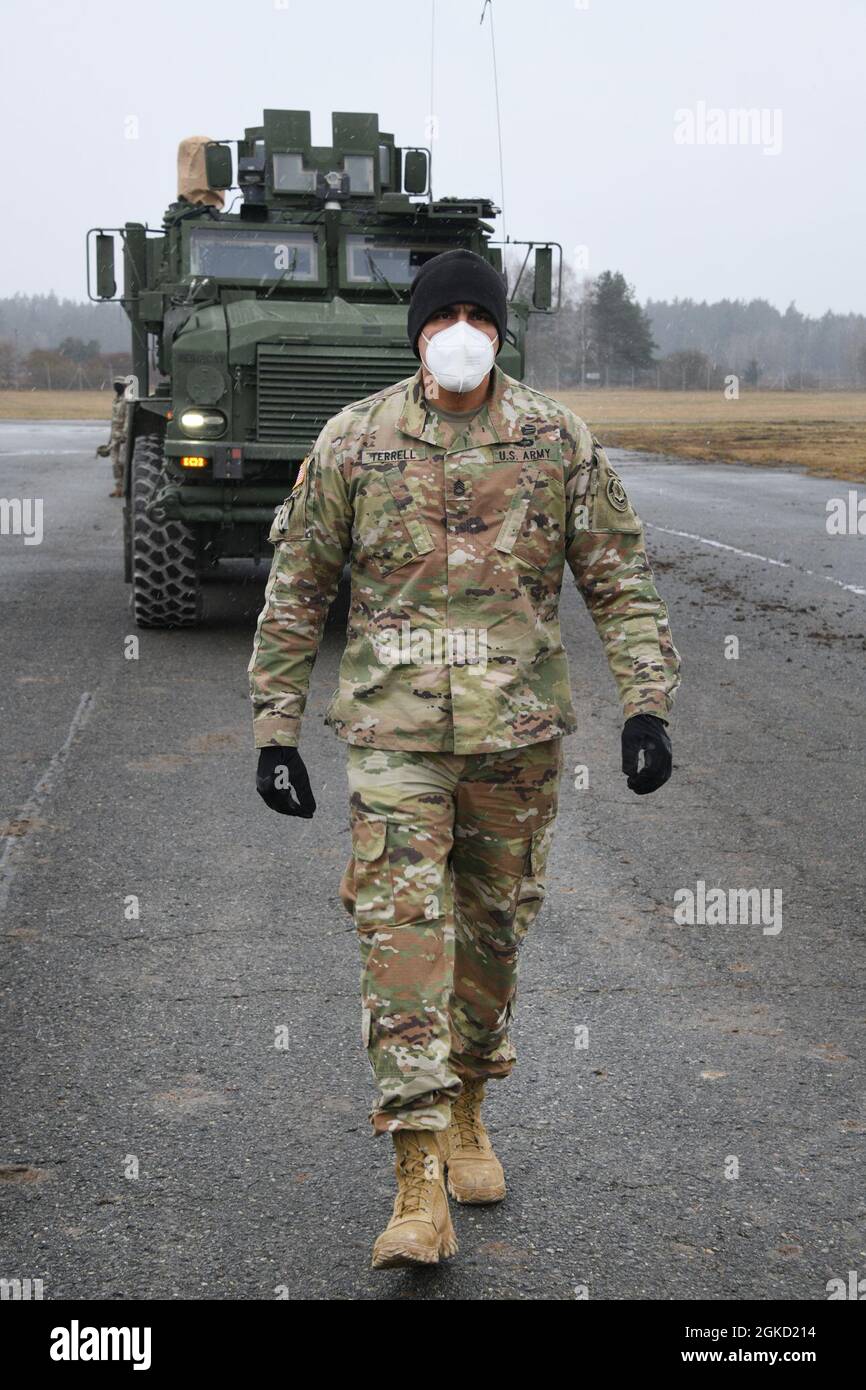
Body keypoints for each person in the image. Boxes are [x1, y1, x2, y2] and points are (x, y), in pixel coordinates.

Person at [247, 248, 682, 1270]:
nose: (457, 327)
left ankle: (469, 1108)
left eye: (473, 312)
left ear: (498, 329)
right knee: (401, 940)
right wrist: (274, 727)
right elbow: (297, 586)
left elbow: (616, 578)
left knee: (488, 944)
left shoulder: (552, 439)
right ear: (414, 331)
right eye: (439, 312)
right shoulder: (354, 440)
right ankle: (414, 1181)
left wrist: (645, 708)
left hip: (514, 745)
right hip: (394, 743)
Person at [96, 376, 129, 496]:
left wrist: (124, 434)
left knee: (122, 462)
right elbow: (113, 421)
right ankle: (118, 487)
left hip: (123, 437)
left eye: (119, 384)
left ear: (125, 386)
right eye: (115, 384)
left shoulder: (127, 401)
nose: (117, 386)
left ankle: (125, 487)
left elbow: (128, 419)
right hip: (114, 435)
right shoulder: (116, 400)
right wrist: (110, 440)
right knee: (115, 463)